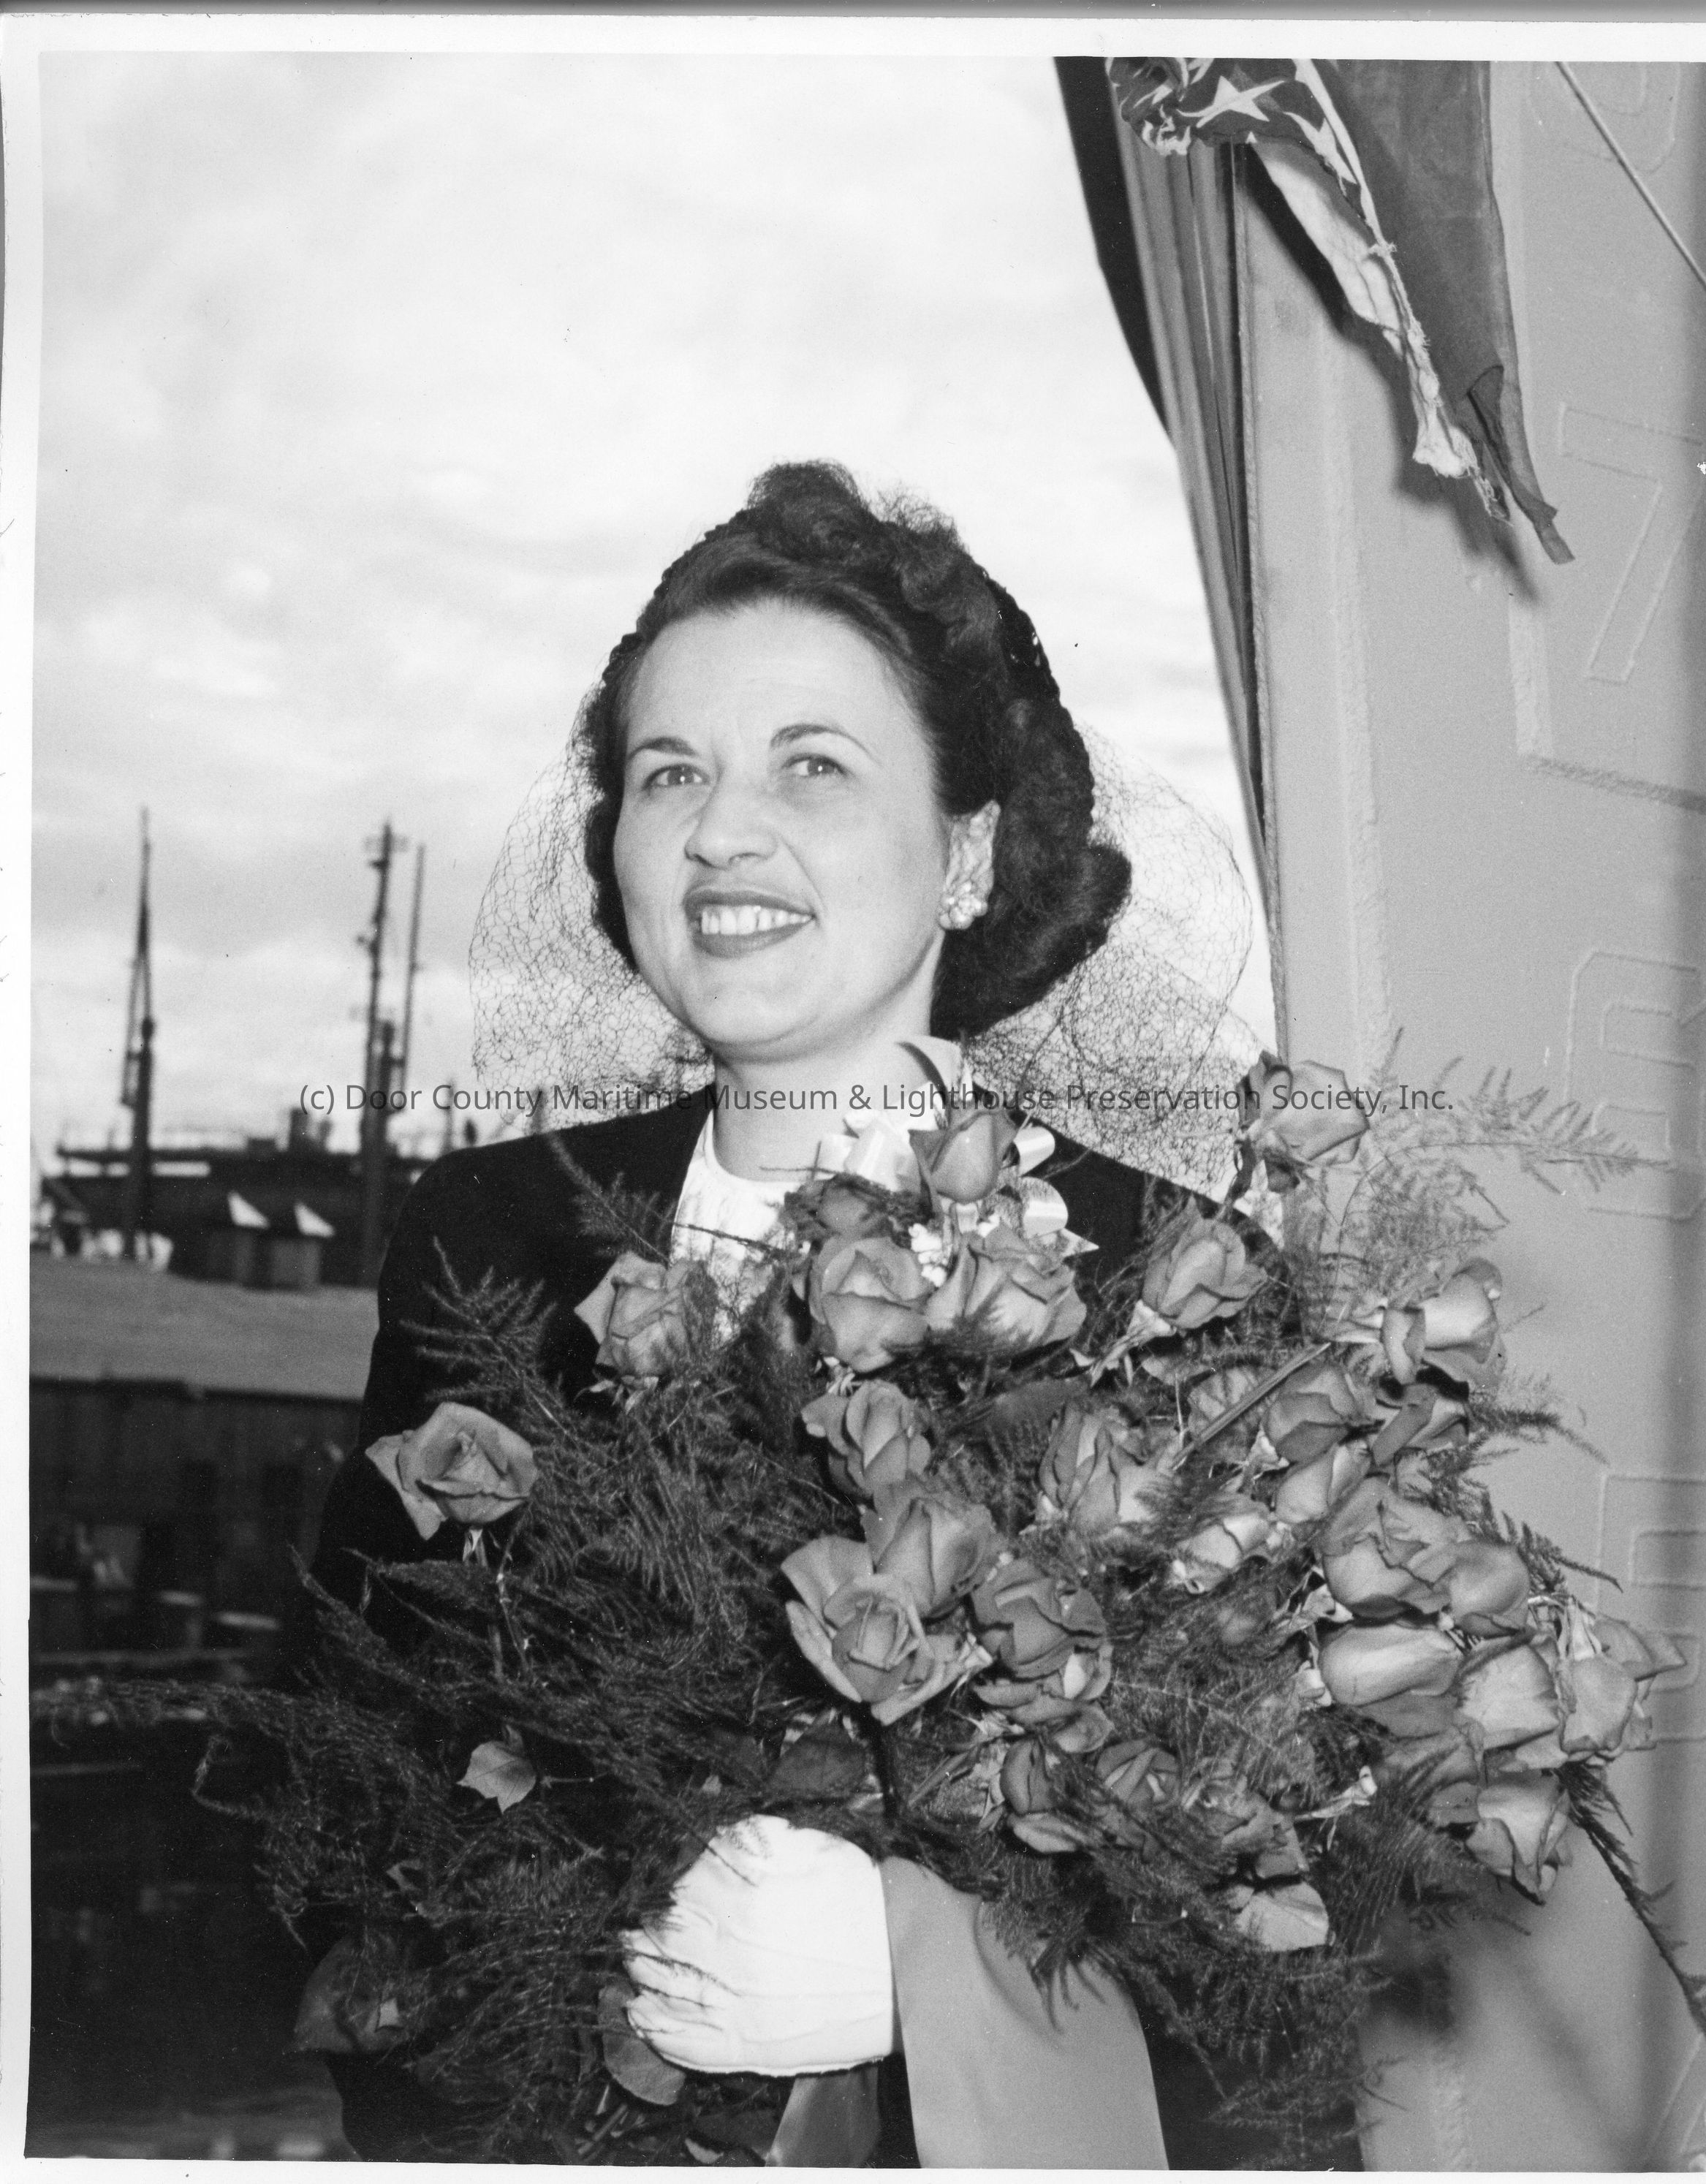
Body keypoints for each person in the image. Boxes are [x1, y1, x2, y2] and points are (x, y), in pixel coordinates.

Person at [307, 461, 1265, 2165]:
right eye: (670, 772)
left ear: (968, 853)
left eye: (811, 765)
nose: (719, 833)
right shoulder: (485, 1237)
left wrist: (937, 1975)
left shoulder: (1173, 1283)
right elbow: (345, 1767)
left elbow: (1299, 1935)